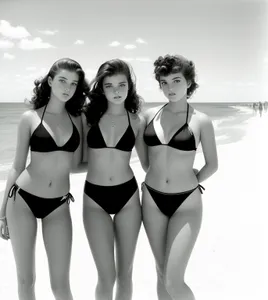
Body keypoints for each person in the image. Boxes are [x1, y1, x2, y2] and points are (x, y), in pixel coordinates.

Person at [0, 58, 89, 300]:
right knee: (26, 280)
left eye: (73, 83)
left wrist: (113, 164)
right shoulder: (30, 118)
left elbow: (78, 164)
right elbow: (16, 167)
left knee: (61, 284)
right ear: (50, 81)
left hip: (58, 204)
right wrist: (2, 212)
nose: (67, 88)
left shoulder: (78, 119)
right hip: (22, 201)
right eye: (62, 81)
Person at [141, 54, 218, 300]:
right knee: (161, 272)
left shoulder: (201, 121)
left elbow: (212, 164)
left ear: (189, 82)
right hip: (152, 199)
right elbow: (144, 162)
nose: (169, 88)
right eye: (164, 82)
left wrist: (193, 179)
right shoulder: (148, 116)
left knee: (174, 282)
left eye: (175, 81)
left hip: (186, 203)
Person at [80, 59, 146, 300]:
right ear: (102, 88)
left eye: (122, 85)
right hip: (94, 199)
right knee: (106, 276)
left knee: (125, 273)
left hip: (128, 197)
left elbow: (149, 164)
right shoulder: (87, 118)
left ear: (130, 86)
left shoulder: (137, 121)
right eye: (110, 86)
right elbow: (74, 160)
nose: (116, 91)